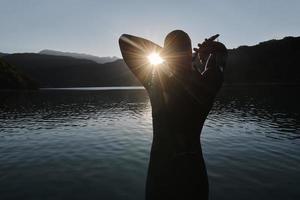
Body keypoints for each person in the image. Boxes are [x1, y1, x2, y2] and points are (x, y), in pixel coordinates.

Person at [119, 30, 227, 200]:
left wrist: (172, 56)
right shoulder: (207, 84)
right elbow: (220, 59)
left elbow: (124, 40)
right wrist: (209, 52)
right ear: (190, 50)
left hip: (161, 174)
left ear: (167, 53)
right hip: (194, 174)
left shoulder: (157, 81)